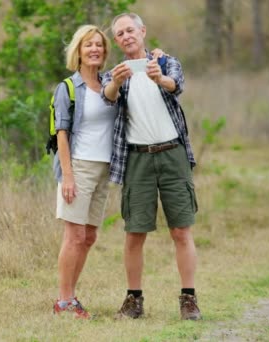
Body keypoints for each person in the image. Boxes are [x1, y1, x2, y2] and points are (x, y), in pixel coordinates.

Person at [101, 12, 202, 320]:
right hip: (138, 159)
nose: (126, 36)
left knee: (181, 230)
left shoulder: (166, 62)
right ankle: (134, 300)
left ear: (142, 31)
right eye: (120, 34)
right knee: (135, 232)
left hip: (173, 154)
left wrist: (160, 78)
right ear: (117, 41)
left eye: (130, 30)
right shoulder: (115, 73)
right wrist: (116, 83)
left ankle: (189, 299)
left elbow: (177, 84)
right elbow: (108, 97)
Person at [50, 24, 116, 319]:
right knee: (75, 236)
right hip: (78, 166)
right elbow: (60, 133)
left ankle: (70, 295)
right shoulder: (67, 88)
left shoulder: (109, 84)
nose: (94, 49)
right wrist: (68, 175)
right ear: (78, 51)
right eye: (88, 45)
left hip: (104, 168)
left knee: (89, 237)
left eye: (99, 45)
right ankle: (64, 302)